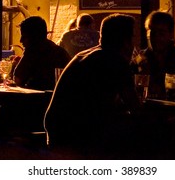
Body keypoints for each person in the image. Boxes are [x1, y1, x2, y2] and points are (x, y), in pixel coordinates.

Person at [45, 13, 146, 158]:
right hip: (78, 134)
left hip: (56, 129)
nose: (133, 45)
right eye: (132, 39)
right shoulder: (115, 61)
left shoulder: (84, 55)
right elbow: (135, 109)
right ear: (125, 41)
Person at [133, 11, 175, 103]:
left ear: (171, 34)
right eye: (152, 32)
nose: (156, 37)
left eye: (161, 33)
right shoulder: (139, 60)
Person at [13, 16, 71, 90]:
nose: (21, 40)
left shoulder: (32, 51)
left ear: (33, 37)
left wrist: (14, 66)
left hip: (38, 99)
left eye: (24, 36)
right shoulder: (60, 51)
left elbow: (18, 79)